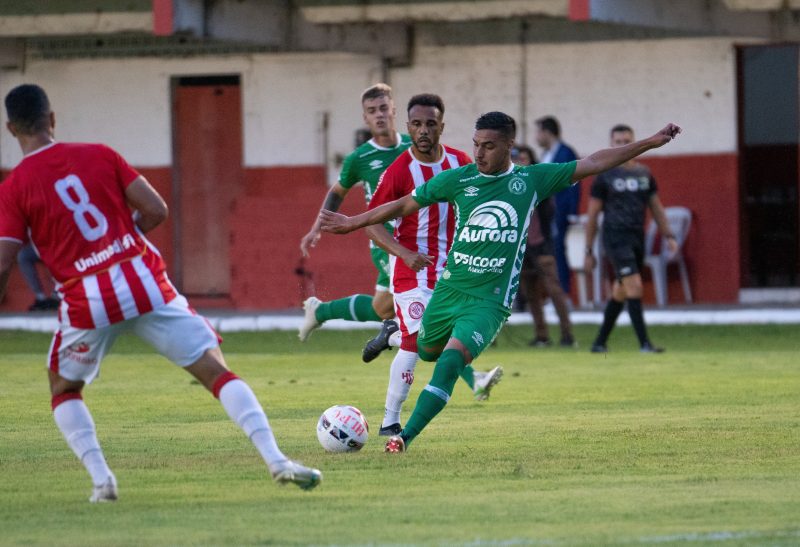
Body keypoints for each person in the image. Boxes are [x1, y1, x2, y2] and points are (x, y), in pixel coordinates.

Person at [0, 84, 321, 502]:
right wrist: (118, 240)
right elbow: (156, 210)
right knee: (216, 371)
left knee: (63, 389)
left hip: (87, 298)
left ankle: (103, 482)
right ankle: (277, 460)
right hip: (143, 279)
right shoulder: (99, 153)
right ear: (53, 119)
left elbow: (5, 261)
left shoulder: (13, 187)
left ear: (10, 128)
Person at [320, 111, 681, 453]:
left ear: (510, 146)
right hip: (448, 292)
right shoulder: (460, 179)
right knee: (426, 352)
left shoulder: (530, 180)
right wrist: (353, 222)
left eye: (488, 146)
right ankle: (394, 332)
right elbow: (403, 205)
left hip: (488, 303)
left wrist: (648, 142)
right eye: (475, 143)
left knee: (448, 364)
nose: (478, 152)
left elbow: (595, 162)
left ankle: (403, 437)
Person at [363, 93, 503, 436]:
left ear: (442, 126)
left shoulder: (461, 162)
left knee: (435, 344)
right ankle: (389, 422)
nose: (423, 130)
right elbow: (372, 221)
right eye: (416, 124)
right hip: (411, 270)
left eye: (430, 124)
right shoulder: (399, 170)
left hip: (453, 271)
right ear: (407, 126)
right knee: (415, 345)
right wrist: (403, 253)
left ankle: (391, 332)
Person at [298, 83, 411, 354]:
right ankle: (470, 374)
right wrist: (316, 228)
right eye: (372, 111)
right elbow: (337, 192)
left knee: (382, 307)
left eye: (384, 108)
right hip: (385, 241)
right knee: (419, 305)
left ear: (393, 109)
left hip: (416, 235)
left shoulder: (413, 146)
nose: (379, 115)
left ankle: (320, 310)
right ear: (365, 118)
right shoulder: (359, 159)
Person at [583, 124, 678, 354]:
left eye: (627, 140)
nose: (623, 144)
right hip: (615, 238)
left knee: (621, 290)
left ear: (634, 140)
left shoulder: (644, 174)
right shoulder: (604, 176)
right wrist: (588, 250)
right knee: (634, 286)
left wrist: (668, 235)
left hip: (637, 237)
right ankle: (644, 344)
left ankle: (599, 343)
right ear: (611, 144)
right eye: (618, 141)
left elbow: (656, 206)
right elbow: (593, 214)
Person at [512, 145, 575, 348]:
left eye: (524, 157)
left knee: (554, 290)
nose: (520, 161)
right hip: (521, 248)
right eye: (517, 158)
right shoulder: (510, 184)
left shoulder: (540, 182)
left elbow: (549, 213)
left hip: (540, 244)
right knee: (531, 293)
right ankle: (542, 336)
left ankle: (567, 334)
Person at [535, 116, 581, 295]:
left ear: (547, 132)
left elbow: (574, 183)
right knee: (547, 254)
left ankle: (563, 293)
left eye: (538, 132)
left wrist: (572, 211)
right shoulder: (545, 155)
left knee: (559, 251)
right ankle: (552, 293)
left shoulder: (566, 152)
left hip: (560, 212)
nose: (536, 137)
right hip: (545, 214)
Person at [17, 242, 60, 310]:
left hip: (62, 243)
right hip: (42, 243)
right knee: (23, 256)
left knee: (58, 250)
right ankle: (41, 298)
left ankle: (57, 295)